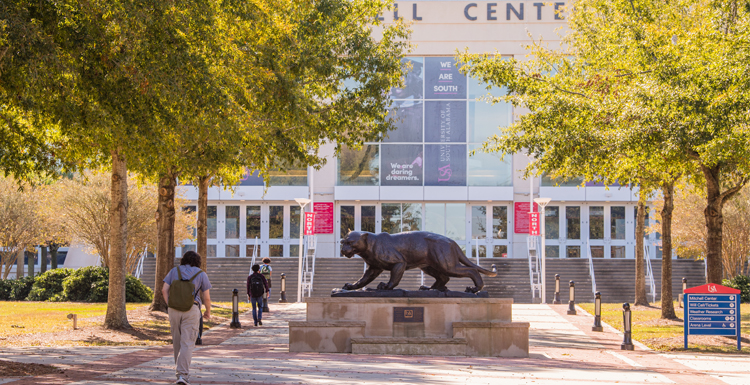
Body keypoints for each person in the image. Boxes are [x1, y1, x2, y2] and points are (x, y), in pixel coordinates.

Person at [162, 251, 212, 385]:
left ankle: (179, 374)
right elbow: (206, 297)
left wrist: (170, 305)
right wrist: (207, 311)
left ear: (183, 259)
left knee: (177, 341)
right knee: (188, 342)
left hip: (173, 309)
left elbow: (164, 290)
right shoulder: (201, 274)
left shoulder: (174, 271)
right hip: (192, 309)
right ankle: (182, 376)